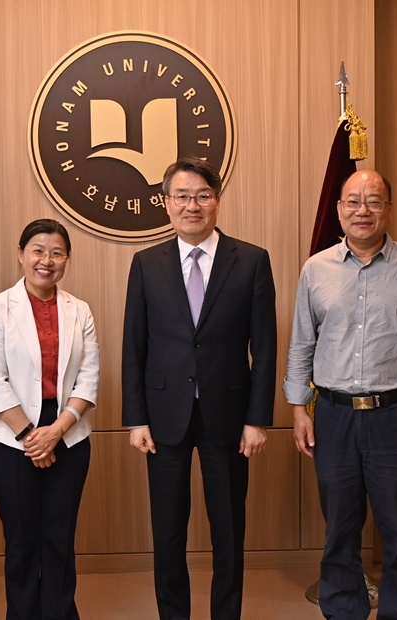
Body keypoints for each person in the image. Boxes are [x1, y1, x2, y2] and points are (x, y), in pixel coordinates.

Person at [285, 169, 397, 620]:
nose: (363, 210)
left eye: (373, 201)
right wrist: (298, 409)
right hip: (333, 416)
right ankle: (343, 611)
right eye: (353, 201)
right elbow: (302, 343)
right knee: (339, 529)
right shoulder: (315, 269)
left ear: (388, 210)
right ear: (338, 210)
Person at [122, 156, 277, 620]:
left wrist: (256, 420)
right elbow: (134, 345)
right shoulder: (146, 263)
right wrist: (136, 418)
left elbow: (264, 348)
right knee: (167, 531)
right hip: (163, 416)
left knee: (229, 530)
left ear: (218, 201)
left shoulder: (251, 260)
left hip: (228, 418)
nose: (193, 205)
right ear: (166, 203)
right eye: (183, 196)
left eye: (203, 196)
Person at [0, 218, 99, 620]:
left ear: (67, 259)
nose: (47, 260)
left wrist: (57, 432)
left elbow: (89, 378)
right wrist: (32, 436)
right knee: (23, 540)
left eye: (57, 252)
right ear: (21, 254)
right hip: (11, 435)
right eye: (38, 250)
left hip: (68, 431)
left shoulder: (79, 310)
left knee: (60, 537)